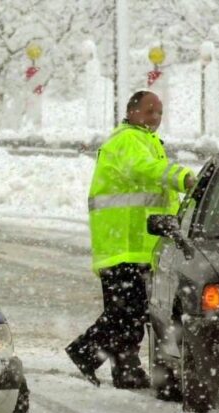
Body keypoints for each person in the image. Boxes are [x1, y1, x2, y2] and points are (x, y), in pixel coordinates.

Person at [66, 91, 195, 389]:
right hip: (121, 245)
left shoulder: (147, 142)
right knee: (127, 313)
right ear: (132, 111)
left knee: (130, 315)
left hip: (136, 246)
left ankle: (127, 370)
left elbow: (157, 195)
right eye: (150, 111)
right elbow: (144, 170)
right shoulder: (126, 140)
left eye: (159, 113)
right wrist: (183, 177)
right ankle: (84, 352)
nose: (155, 118)